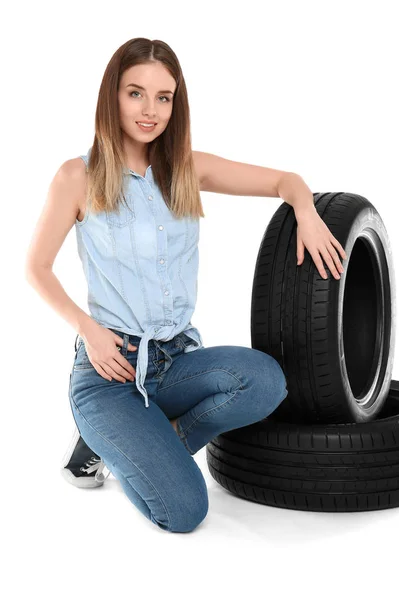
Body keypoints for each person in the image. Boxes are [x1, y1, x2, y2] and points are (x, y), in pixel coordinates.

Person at [24, 38, 297, 533]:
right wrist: (88, 328)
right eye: (136, 93)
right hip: (109, 371)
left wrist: (308, 210)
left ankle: (137, 441)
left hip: (175, 362)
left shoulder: (186, 169)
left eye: (164, 97)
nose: (150, 110)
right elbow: (36, 268)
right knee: (185, 512)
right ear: (113, 97)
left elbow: (285, 181)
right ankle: (103, 436)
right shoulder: (77, 176)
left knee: (265, 381)